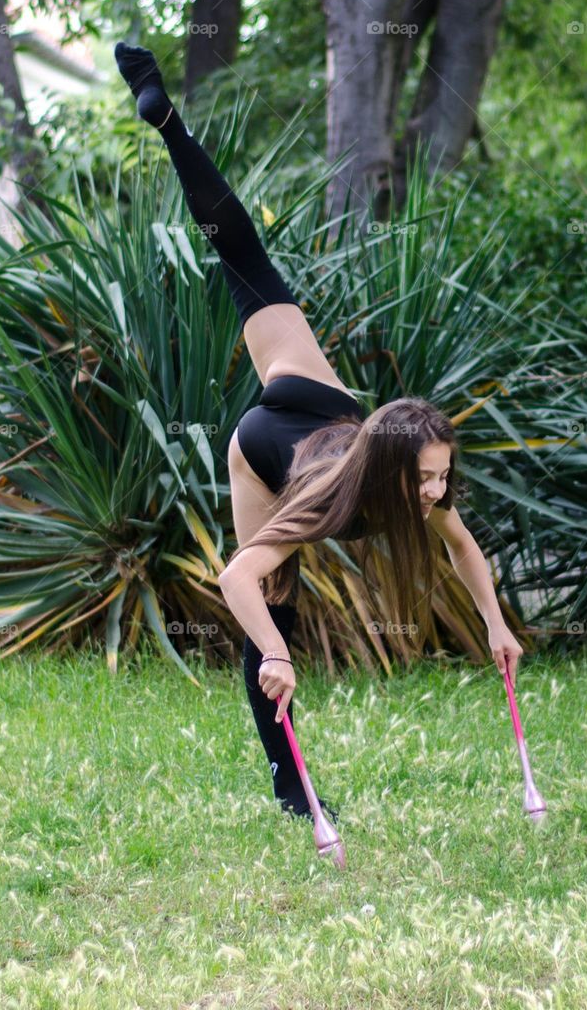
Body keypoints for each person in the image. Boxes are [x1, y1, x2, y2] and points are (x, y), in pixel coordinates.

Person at [114, 41, 524, 824]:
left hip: (318, 399)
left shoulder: (411, 468)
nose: (436, 491)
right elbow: (235, 578)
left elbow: (463, 544)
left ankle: (164, 119)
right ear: (390, 466)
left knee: (245, 256)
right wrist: (275, 650)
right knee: (273, 599)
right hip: (268, 445)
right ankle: (289, 783)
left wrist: (498, 626)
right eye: (427, 479)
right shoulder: (325, 504)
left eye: (441, 475)